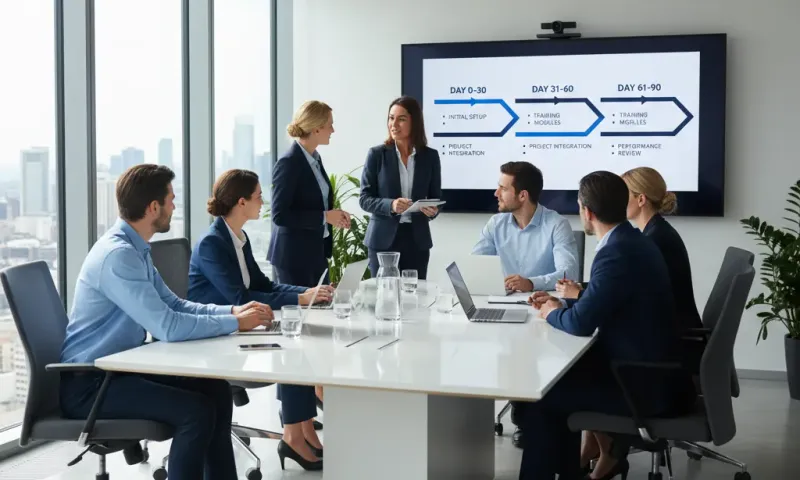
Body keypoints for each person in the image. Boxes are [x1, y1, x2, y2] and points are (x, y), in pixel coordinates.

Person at [59, 164, 274, 480]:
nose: (175, 206)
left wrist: (231, 313)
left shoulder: (135, 248)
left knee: (214, 389)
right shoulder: (118, 256)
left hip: (121, 370)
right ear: (153, 207)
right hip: (91, 385)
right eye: (171, 199)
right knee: (195, 412)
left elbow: (174, 304)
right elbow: (168, 327)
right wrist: (234, 325)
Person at [520, 171, 695, 480]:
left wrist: (551, 313)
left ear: (586, 211)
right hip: (645, 370)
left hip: (643, 385)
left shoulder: (618, 251)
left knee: (541, 399)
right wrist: (562, 305)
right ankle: (568, 470)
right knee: (553, 386)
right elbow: (600, 303)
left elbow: (582, 324)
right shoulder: (629, 240)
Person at [188, 169, 329, 470]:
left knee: (298, 340)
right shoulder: (212, 244)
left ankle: (302, 430)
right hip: (215, 336)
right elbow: (240, 298)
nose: (262, 202)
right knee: (291, 349)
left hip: (241, 327)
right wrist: (301, 298)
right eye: (258, 197)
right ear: (241, 202)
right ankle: (293, 436)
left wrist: (308, 292)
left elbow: (264, 286)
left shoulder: (239, 237)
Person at [556, 167, 703, 332]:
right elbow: (622, 285)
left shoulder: (653, 239)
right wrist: (581, 290)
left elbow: (625, 294)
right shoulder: (649, 233)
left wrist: (577, 295)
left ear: (641, 200)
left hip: (671, 334)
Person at [268, 100, 351, 287]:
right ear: (316, 129)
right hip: (294, 258)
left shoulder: (315, 159)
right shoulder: (289, 163)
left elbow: (312, 203)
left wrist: (333, 216)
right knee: (304, 315)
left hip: (316, 253)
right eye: (330, 125)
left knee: (320, 311)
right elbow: (280, 215)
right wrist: (324, 217)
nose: (333, 130)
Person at [360, 96, 442, 279]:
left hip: (417, 240)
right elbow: (364, 198)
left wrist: (433, 210)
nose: (394, 124)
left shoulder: (430, 157)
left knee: (416, 297)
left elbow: (436, 197)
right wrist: (391, 205)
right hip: (383, 241)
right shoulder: (377, 154)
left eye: (401, 119)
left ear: (415, 121)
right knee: (385, 298)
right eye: (391, 118)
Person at [472, 161, 579, 294]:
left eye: (503, 189)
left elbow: (568, 275)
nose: (496, 193)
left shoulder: (557, 225)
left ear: (522, 195)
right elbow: (474, 266)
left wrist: (531, 283)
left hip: (543, 304)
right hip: (501, 301)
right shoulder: (495, 224)